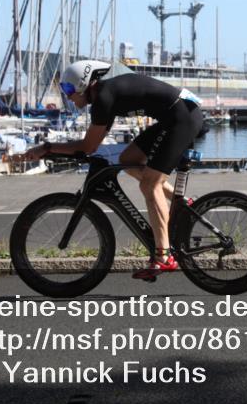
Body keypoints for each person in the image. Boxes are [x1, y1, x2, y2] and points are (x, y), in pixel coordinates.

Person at [19, 60, 204, 281]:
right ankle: (180, 202)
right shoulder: (106, 97)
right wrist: (53, 150)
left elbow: (88, 147)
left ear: (83, 84)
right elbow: (91, 145)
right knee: (129, 159)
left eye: (68, 89)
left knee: (149, 184)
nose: (67, 96)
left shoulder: (104, 99)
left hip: (182, 119)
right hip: (174, 117)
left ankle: (164, 256)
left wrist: (47, 148)